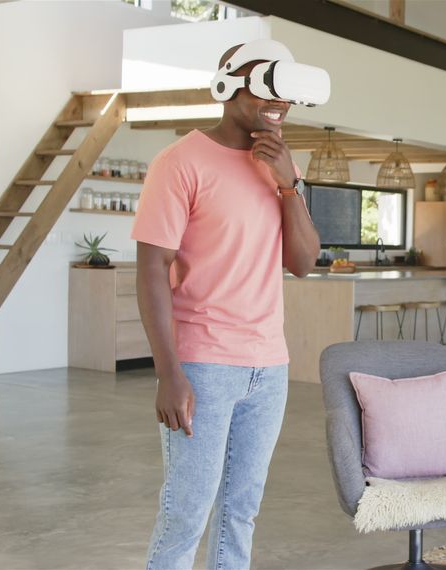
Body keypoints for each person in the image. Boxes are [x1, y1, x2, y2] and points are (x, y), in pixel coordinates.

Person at [132, 40, 321, 569]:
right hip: (203, 365)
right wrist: (168, 373)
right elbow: (151, 269)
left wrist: (289, 185)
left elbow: (303, 261)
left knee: (241, 512)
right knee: (186, 512)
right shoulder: (179, 162)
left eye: (284, 89)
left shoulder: (281, 165)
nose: (278, 100)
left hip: (269, 367)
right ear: (228, 85)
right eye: (266, 85)